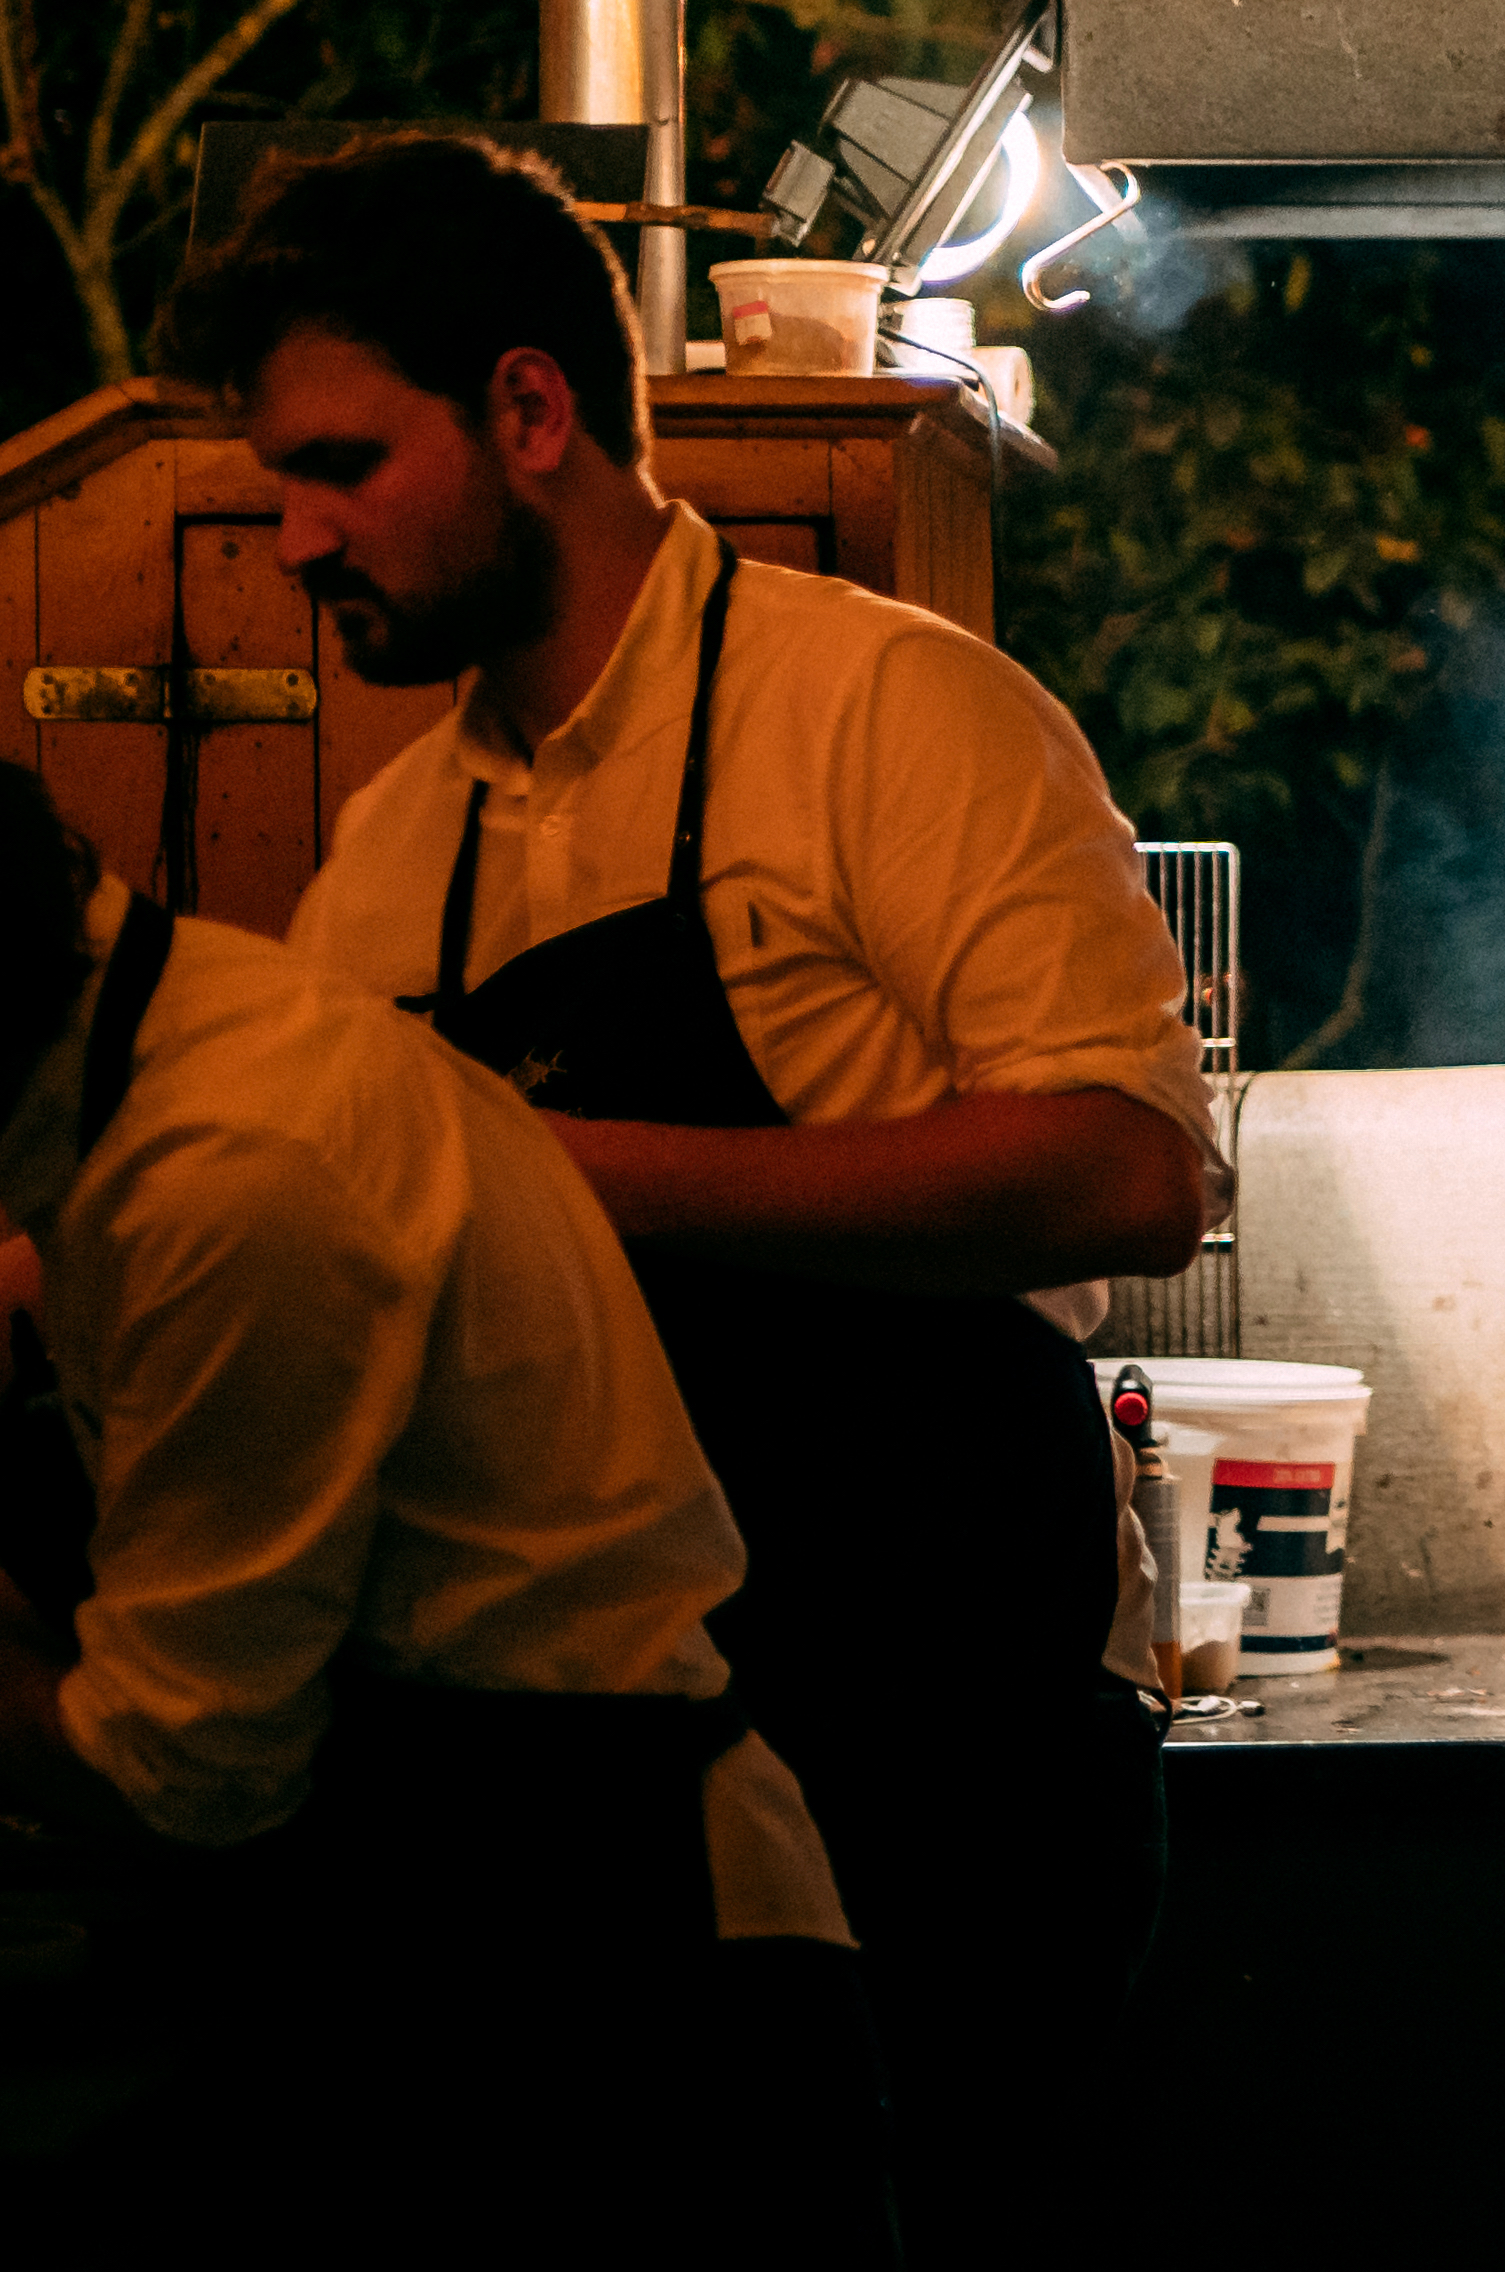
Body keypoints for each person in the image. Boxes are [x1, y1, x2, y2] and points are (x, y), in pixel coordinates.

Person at [159, 139, 1218, 2261]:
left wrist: (568, 1169)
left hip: (938, 1758)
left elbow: (1129, 1164)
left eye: (345, 463)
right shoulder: (391, 846)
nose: (291, 535)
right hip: (596, 1819)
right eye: (280, 478)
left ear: (532, 411)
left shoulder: (891, 718)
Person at [0, 763, 888, 2261]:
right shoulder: (161, 1028)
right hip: (451, 1924)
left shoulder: (239, 1165)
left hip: (600, 1973)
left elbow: (184, 1766)